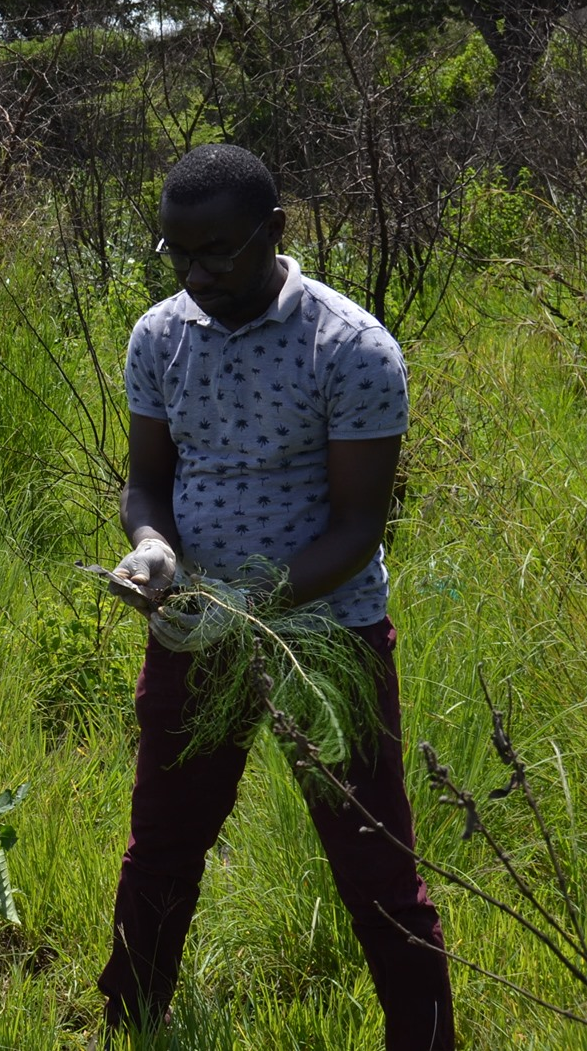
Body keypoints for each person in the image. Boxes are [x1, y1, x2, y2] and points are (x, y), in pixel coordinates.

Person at [99, 144, 452, 1048]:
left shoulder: (353, 347)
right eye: (178, 253)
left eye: (218, 250)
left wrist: (248, 608)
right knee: (163, 843)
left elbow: (354, 529)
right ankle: (130, 1020)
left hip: (325, 634)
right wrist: (151, 550)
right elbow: (148, 484)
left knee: (374, 860)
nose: (197, 274)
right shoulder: (160, 334)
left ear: (276, 232)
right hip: (193, 633)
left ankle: (426, 1035)